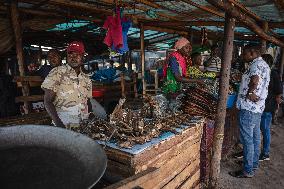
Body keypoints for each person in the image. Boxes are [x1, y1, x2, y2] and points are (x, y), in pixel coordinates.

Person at [231, 44, 270, 178]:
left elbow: (255, 80)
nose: (243, 56)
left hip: (249, 108)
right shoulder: (264, 65)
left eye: (245, 53)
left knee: (248, 140)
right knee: (254, 138)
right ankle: (253, 164)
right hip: (258, 108)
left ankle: (247, 170)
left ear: (252, 53)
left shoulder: (255, 65)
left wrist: (250, 92)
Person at [41, 41, 92, 128]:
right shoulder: (57, 72)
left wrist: (90, 117)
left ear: (83, 57)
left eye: (77, 55)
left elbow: (88, 102)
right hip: (64, 125)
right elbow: (47, 101)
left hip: (83, 126)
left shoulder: (86, 79)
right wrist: (59, 125)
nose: (73, 58)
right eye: (70, 55)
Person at [259, 54, 283, 161]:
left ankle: (265, 153)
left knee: (265, 129)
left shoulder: (273, 74)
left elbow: (279, 92)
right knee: (259, 130)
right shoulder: (264, 73)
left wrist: (276, 107)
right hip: (261, 106)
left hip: (268, 107)